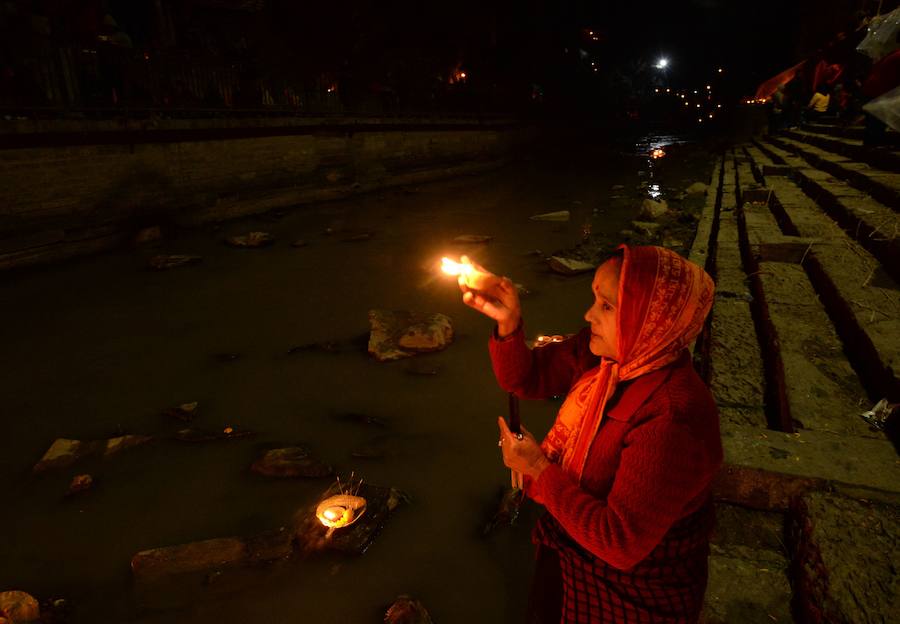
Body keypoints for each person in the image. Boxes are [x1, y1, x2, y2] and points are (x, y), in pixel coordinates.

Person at [457, 245, 723, 623]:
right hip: (568, 550)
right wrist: (509, 323)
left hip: (633, 594)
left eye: (607, 306)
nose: (588, 315)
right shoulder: (602, 355)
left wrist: (537, 467)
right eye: (595, 299)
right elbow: (526, 378)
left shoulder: (673, 416)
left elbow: (621, 542)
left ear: (651, 321)